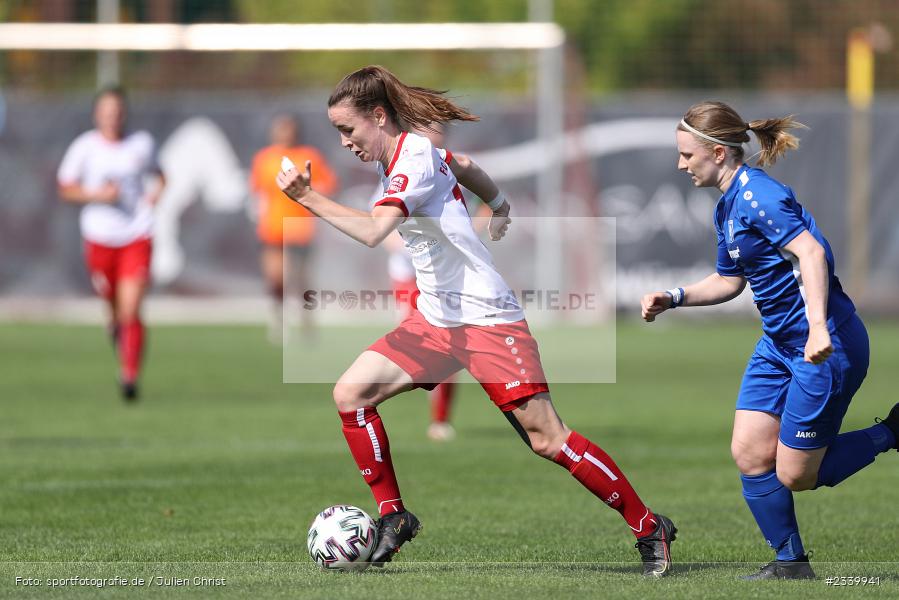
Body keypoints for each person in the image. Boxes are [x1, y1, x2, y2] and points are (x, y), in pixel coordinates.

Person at [278, 65, 677, 577]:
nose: (345, 141)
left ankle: (649, 526)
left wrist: (306, 198)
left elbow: (377, 230)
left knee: (547, 439)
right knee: (350, 394)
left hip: (486, 321)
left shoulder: (412, 162)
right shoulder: (413, 155)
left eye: (348, 129)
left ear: (378, 117)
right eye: (337, 131)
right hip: (437, 320)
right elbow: (463, 163)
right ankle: (393, 515)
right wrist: (499, 202)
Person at [641, 100, 899, 580]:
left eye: (687, 155)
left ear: (718, 153)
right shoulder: (727, 207)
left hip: (825, 346)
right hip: (779, 345)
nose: (680, 164)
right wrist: (674, 297)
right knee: (750, 452)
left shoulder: (759, 195)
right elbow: (729, 281)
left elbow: (812, 254)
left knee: (796, 475)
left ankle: (893, 432)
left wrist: (819, 326)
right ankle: (790, 564)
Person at [58, 86, 165, 401]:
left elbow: (161, 175)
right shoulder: (84, 148)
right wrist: (96, 195)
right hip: (99, 237)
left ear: (124, 113)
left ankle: (129, 375)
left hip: (137, 234)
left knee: (131, 309)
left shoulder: (141, 143)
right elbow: (66, 188)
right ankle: (116, 326)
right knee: (114, 308)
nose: (112, 117)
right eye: (106, 112)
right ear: (97, 115)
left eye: (117, 111)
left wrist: (157, 192)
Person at [250, 114, 339, 343]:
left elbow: (327, 184)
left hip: (300, 228)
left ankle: (307, 322)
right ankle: (277, 319)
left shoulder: (308, 156)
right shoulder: (265, 159)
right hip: (273, 228)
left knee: (301, 280)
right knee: (275, 278)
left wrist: (311, 191)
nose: (283, 134)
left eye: (288, 129)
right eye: (280, 129)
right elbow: (258, 191)